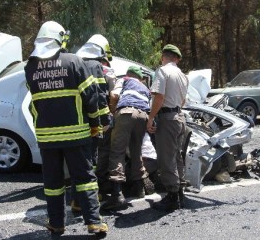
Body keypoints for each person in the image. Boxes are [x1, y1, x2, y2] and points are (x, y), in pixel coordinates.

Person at [24, 21, 108, 237]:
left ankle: (56, 224)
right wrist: (95, 124)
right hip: (76, 134)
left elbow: (34, 103)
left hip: (47, 137)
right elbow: (91, 97)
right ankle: (94, 223)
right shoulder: (74, 61)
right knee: (85, 179)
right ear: (60, 39)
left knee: (52, 183)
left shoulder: (30, 67)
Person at [101, 65, 151, 210]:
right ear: (140, 78)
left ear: (128, 74)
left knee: (117, 152)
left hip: (126, 113)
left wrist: (112, 112)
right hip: (143, 116)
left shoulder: (124, 80)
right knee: (136, 151)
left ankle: (117, 195)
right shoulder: (144, 87)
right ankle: (139, 188)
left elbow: (114, 96)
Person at [147, 44, 189, 212]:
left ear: (164, 57)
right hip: (180, 118)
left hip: (168, 119)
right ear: (176, 58)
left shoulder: (163, 71)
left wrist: (150, 118)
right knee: (177, 157)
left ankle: (172, 198)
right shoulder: (183, 76)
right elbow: (184, 100)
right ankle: (179, 193)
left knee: (167, 158)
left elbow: (159, 97)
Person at [76, 34, 117, 199]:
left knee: (79, 160)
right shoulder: (97, 67)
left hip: (75, 121)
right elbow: (101, 96)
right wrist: (106, 120)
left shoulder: (75, 64)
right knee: (92, 159)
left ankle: (79, 195)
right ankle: (92, 195)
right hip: (92, 121)